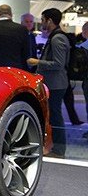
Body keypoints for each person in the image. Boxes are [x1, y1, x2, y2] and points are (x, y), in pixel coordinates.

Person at [27, 9, 69, 158]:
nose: (42, 23)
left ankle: (59, 150)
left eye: (43, 19)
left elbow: (58, 64)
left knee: (56, 116)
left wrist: (37, 62)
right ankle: (57, 149)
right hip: (55, 83)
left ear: (50, 21)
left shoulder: (57, 38)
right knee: (54, 116)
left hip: (56, 84)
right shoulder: (57, 36)